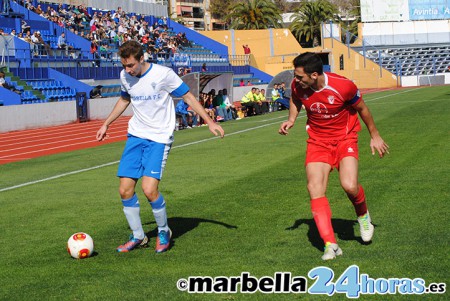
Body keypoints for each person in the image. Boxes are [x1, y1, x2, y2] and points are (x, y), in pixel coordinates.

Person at [96, 41, 224, 254]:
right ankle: (138, 236)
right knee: (124, 190)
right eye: (124, 65)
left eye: (131, 65)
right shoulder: (125, 76)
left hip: (159, 137)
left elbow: (188, 96)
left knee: (149, 189)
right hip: (136, 135)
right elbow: (124, 100)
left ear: (141, 59)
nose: (127, 70)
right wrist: (106, 123)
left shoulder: (164, 74)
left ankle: (164, 230)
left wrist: (209, 121)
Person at [278, 52, 389, 261]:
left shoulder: (343, 86)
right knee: (314, 188)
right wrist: (292, 119)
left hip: (345, 139)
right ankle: (331, 244)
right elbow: (295, 98)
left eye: (300, 76)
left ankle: (363, 215)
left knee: (350, 186)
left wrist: (375, 135)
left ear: (314, 75)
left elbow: (363, 109)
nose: (296, 80)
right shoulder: (298, 86)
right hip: (318, 142)